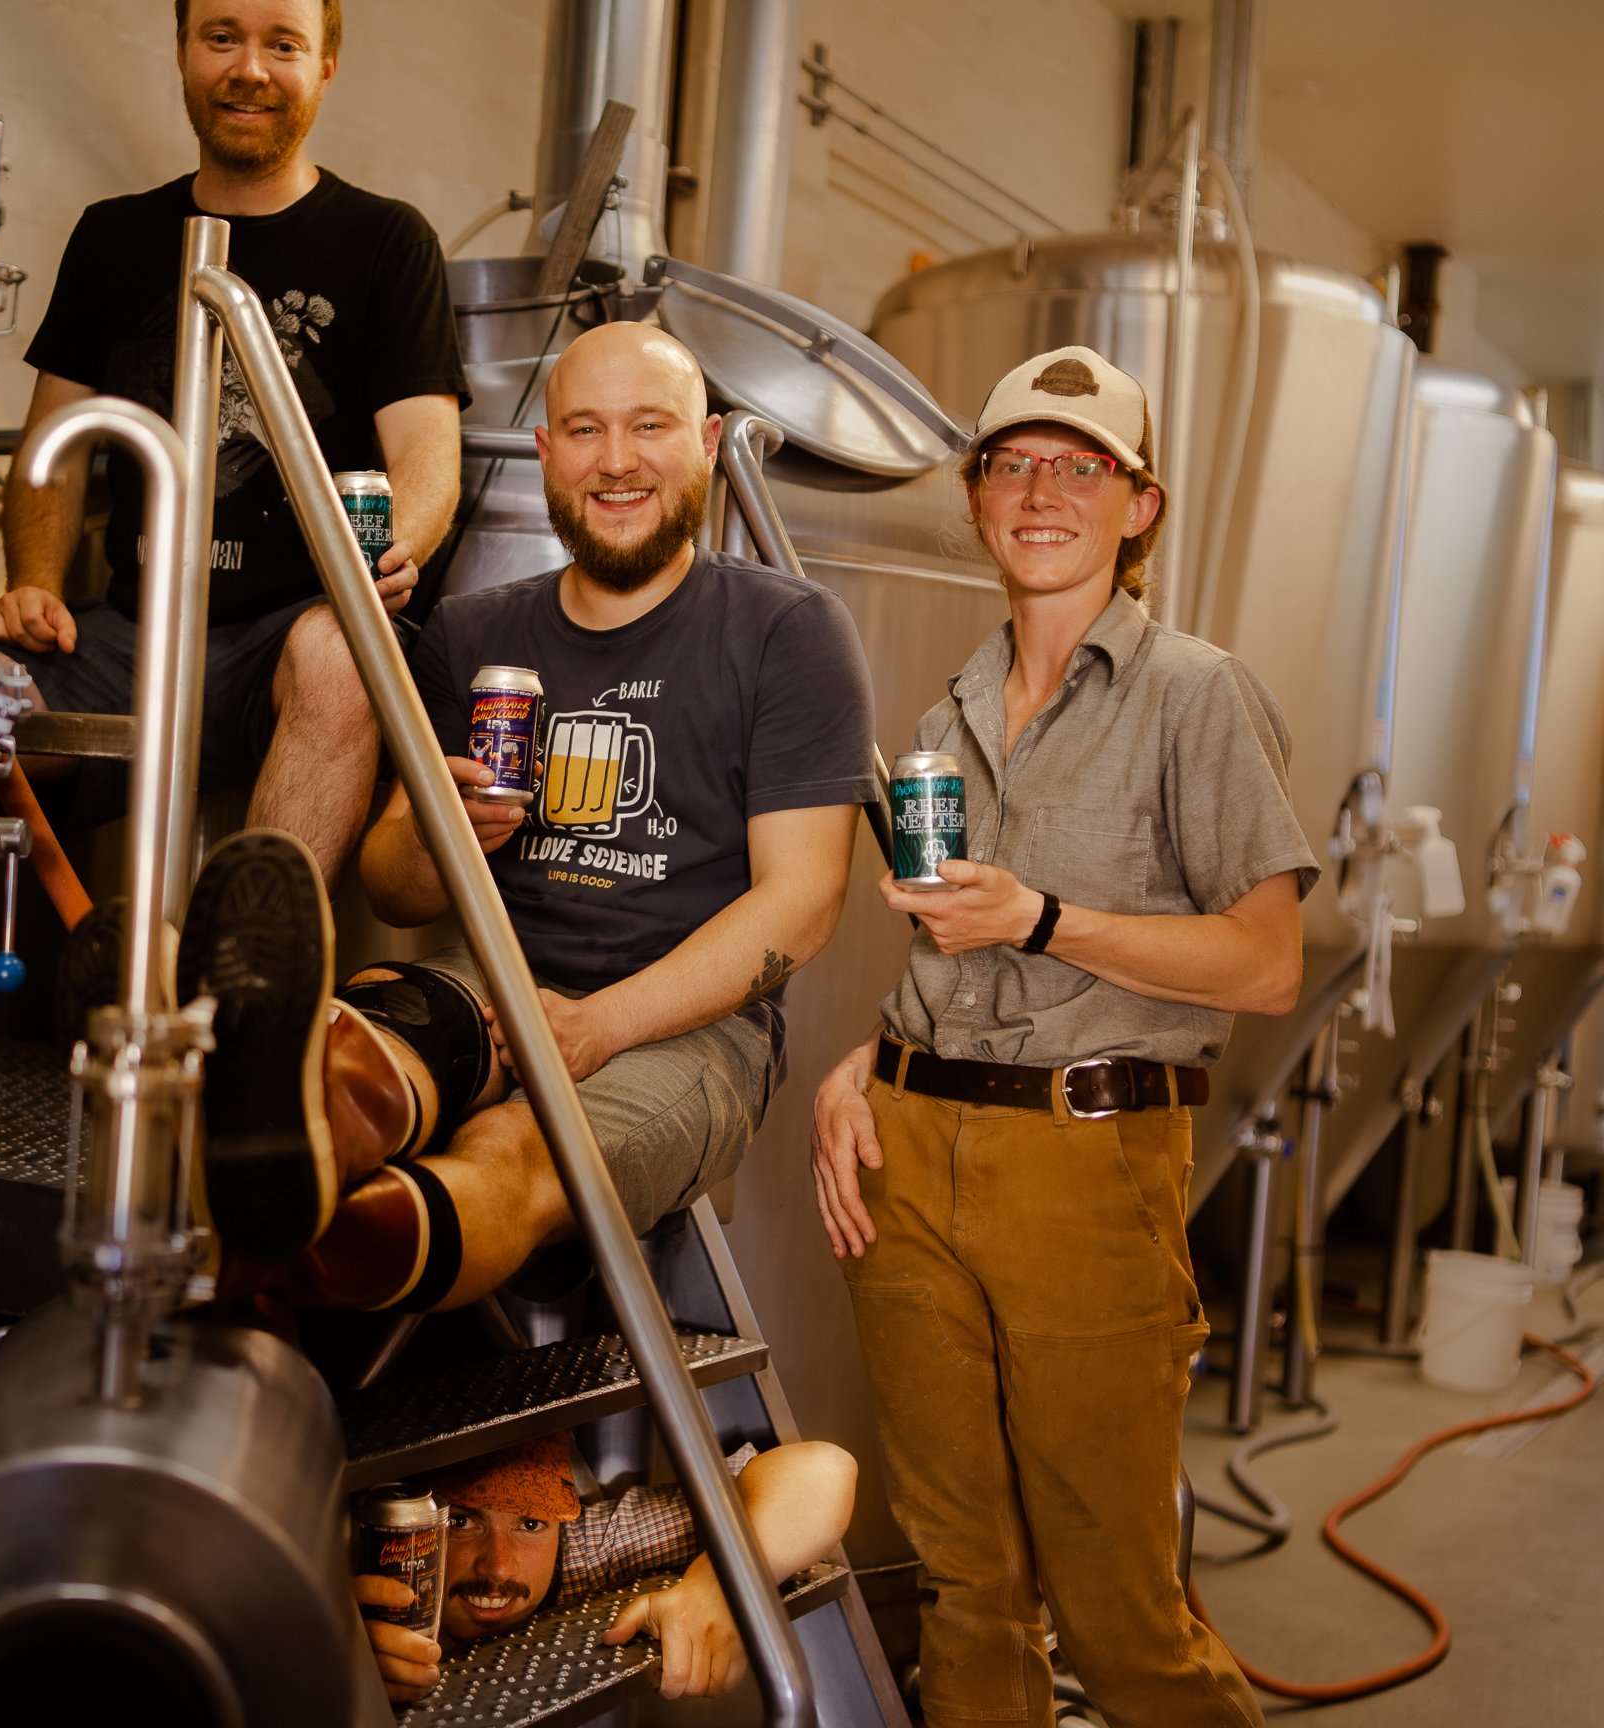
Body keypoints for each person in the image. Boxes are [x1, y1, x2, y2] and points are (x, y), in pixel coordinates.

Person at [808, 345, 1313, 1728]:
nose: (1042, 493)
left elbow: (1268, 967)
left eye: (1080, 467)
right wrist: (864, 1063)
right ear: (976, 497)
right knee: (965, 1586)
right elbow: (952, 956)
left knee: (1118, 1610)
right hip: (912, 1166)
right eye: (1014, 464)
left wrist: (1042, 917)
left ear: (1137, 506)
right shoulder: (944, 718)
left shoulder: (1194, 695)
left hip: (1087, 1167)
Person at [176, 321, 877, 1302]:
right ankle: (256, 1125)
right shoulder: (472, 631)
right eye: (585, 431)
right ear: (547, 453)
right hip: (485, 977)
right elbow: (394, 884)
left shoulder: (787, 630)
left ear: (710, 444)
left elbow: (802, 903)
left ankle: (307, 1267)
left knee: (513, 1146)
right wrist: (433, 834)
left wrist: (593, 1025)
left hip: (690, 1025)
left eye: (651, 428)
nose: (617, 461)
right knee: (361, 1063)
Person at [0, 0, 466, 975]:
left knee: (339, 654)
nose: (249, 68)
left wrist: (387, 554)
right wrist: (33, 582)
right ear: (184, 51)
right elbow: (52, 452)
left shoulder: (384, 242)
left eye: (282, 44)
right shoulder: (115, 238)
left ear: (325, 65)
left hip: (295, 627)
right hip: (128, 635)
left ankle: (239, 1005)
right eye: (222, 37)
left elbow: (427, 457)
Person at [353, 1433, 857, 1706]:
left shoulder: (586, 1548)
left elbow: (822, 1469)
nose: (499, 1566)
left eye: (530, 1523)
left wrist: (725, 1585)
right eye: (462, 1522)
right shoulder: (360, 1580)